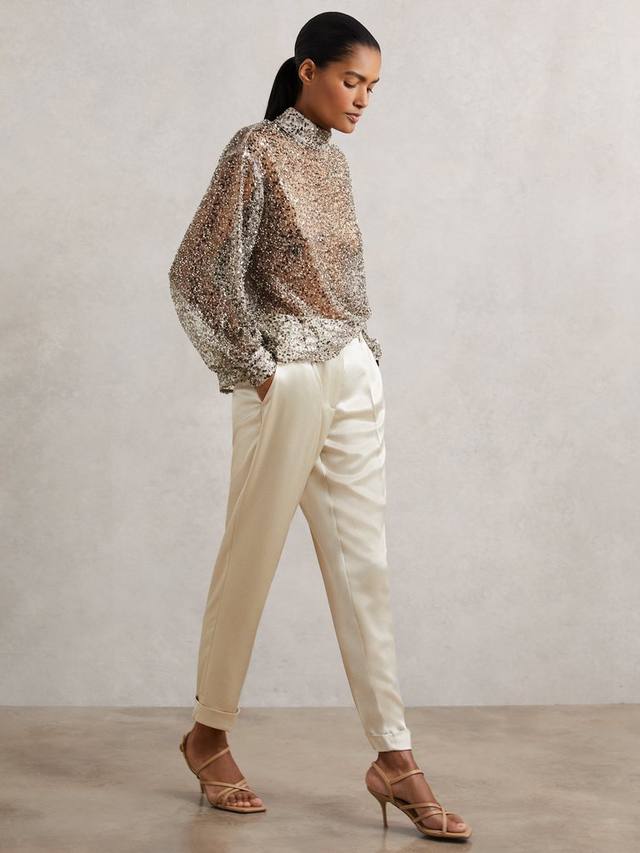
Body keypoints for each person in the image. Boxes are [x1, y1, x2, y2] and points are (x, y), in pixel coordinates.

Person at [168, 11, 471, 842]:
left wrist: (362, 356)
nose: (363, 99)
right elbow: (196, 272)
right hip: (288, 384)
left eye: (373, 86)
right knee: (251, 557)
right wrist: (261, 370)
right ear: (307, 70)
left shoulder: (333, 164)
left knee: (365, 569)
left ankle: (395, 756)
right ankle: (208, 734)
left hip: (352, 376)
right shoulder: (255, 149)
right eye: (350, 80)